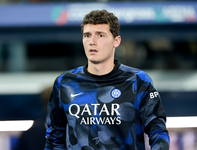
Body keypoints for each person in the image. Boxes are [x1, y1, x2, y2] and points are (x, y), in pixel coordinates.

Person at [44, 9, 170, 150]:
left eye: (100, 35)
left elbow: (158, 131)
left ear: (116, 41)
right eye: (87, 35)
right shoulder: (64, 83)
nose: (92, 41)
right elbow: (54, 140)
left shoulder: (138, 81)